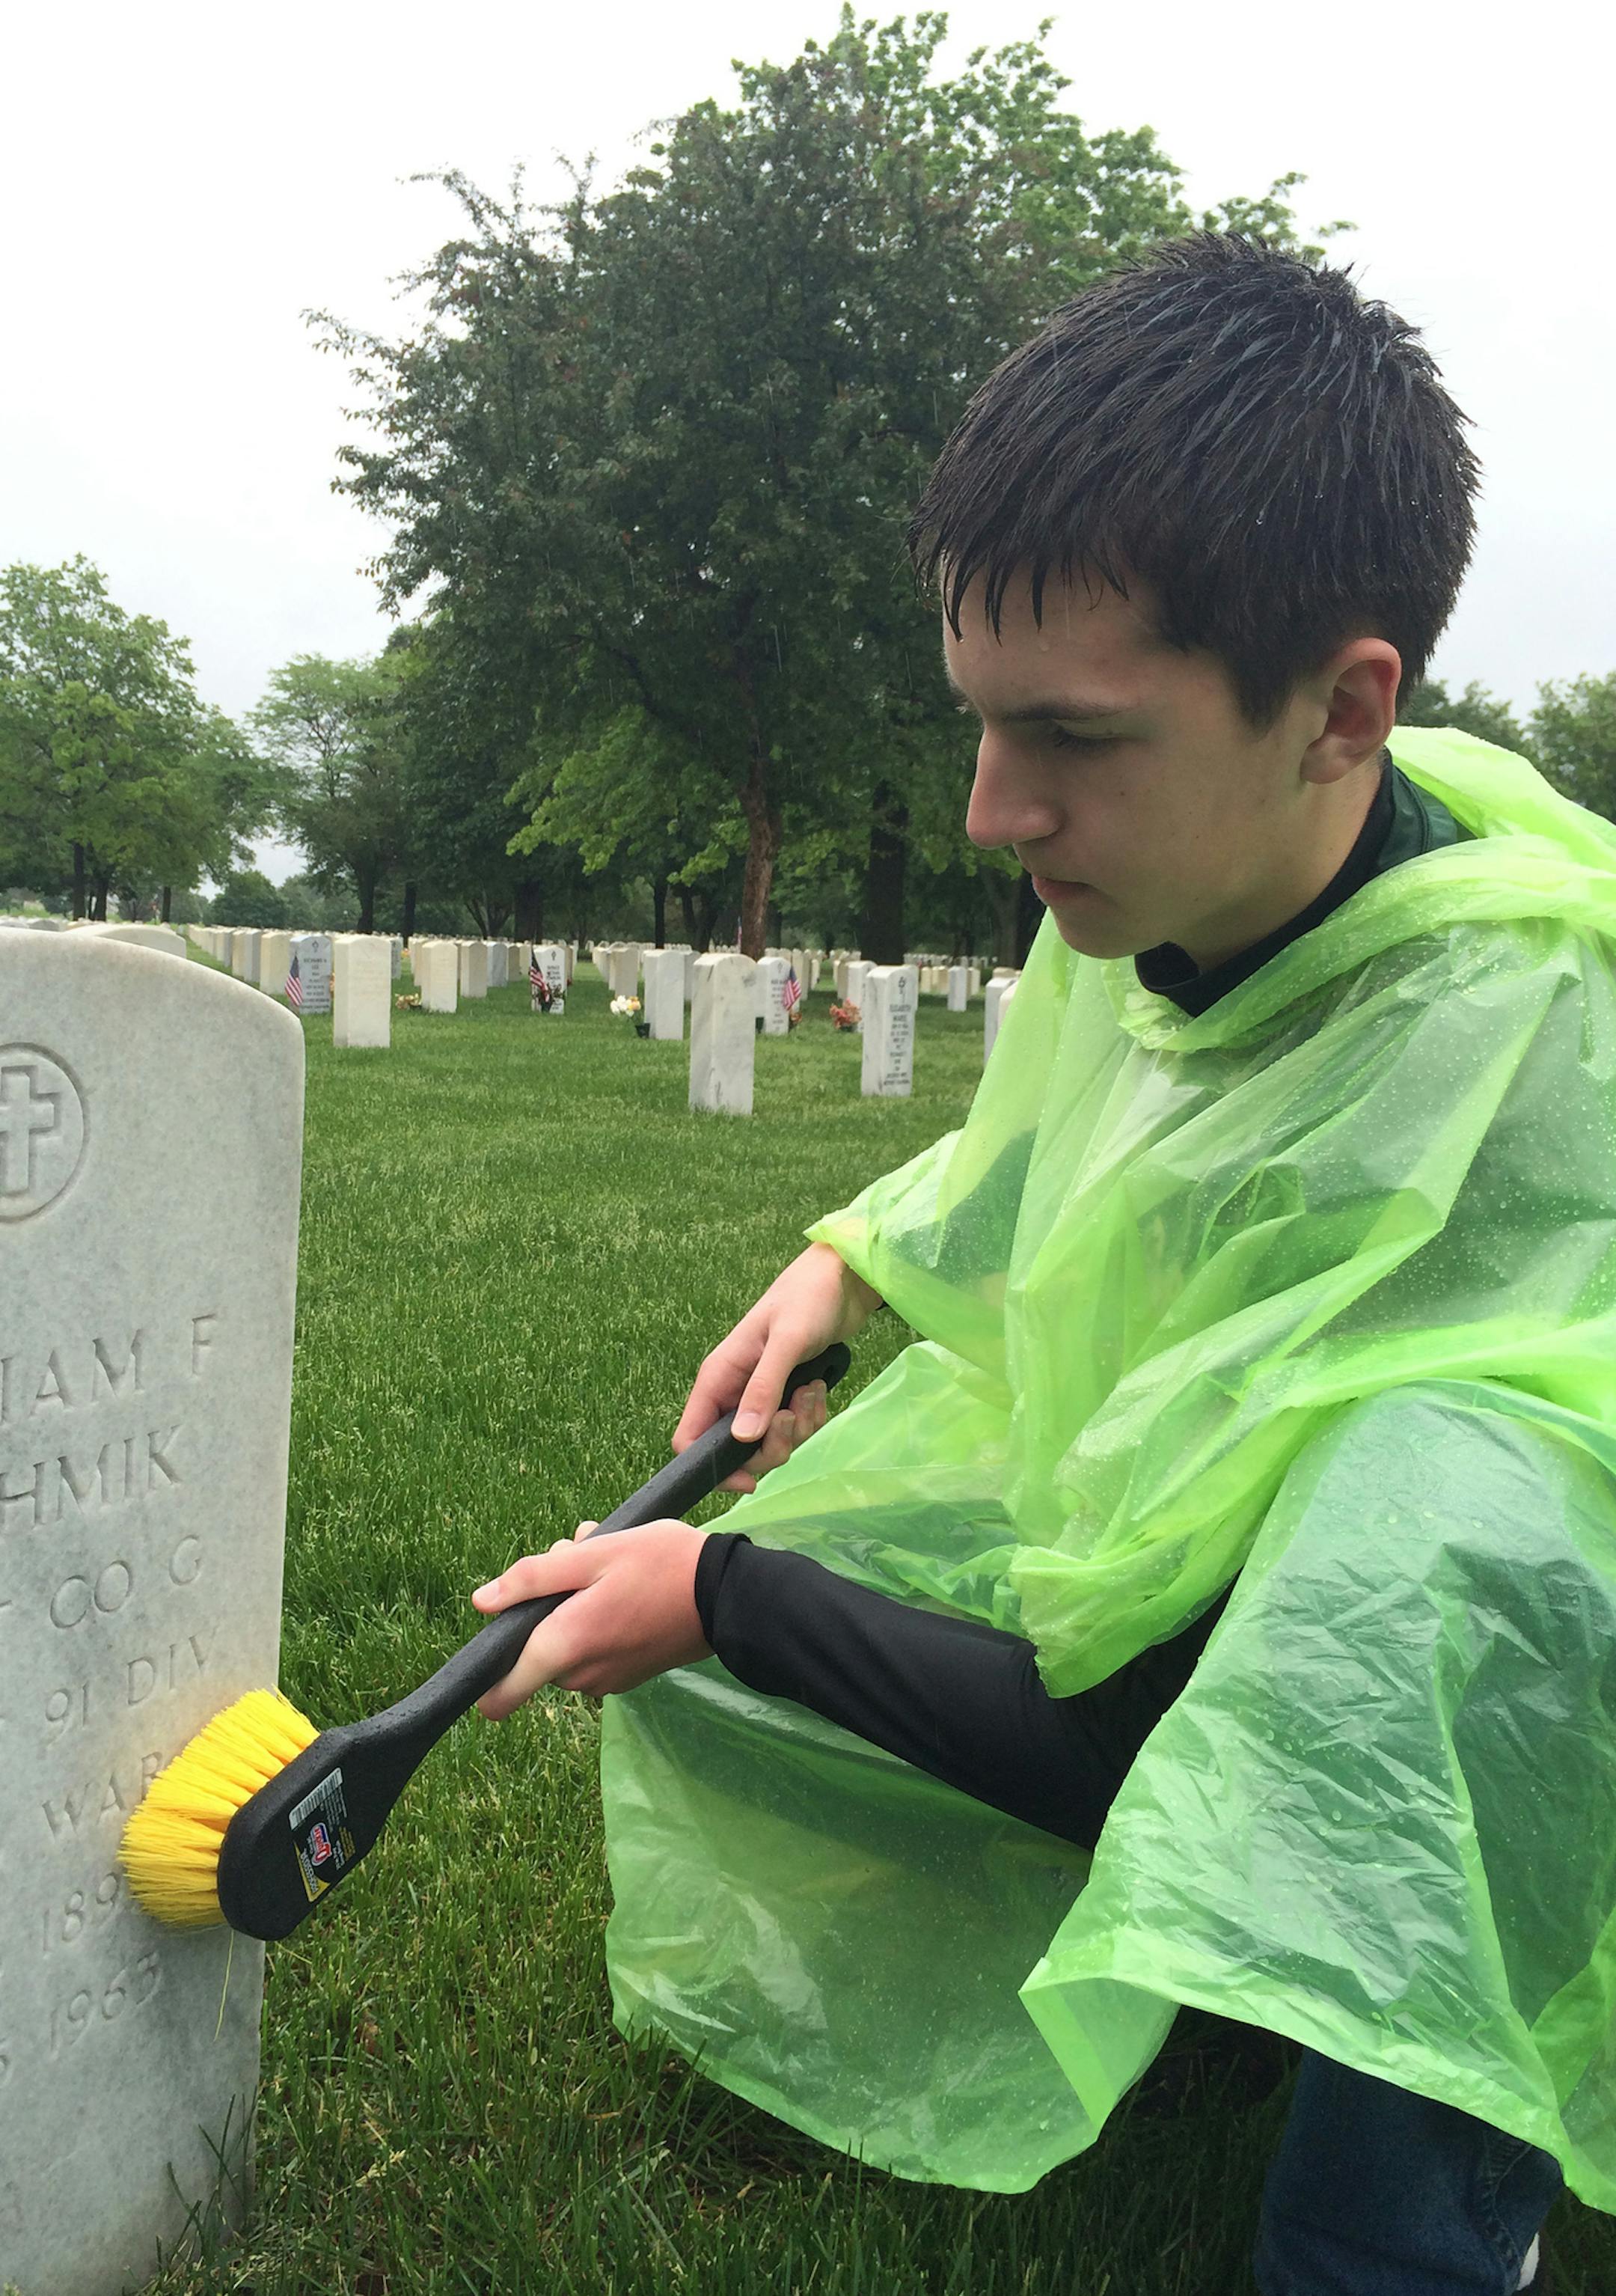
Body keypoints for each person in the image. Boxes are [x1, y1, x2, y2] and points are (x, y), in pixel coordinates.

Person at [468, 236, 1616, 2292]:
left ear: (1343, 708)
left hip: (1515, 1650)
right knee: (834, 1581)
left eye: (1069, 739)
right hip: (1297, 1585)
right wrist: (849, 1256)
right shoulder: (1206, 846)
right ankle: (1220, 1975)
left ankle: (1422, 2215)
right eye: (982, 726)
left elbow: (1181, 1718)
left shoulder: (1516, 1034)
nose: (999, 809)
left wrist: (731, 1592)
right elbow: (1087, 1125)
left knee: (1437, 1559)